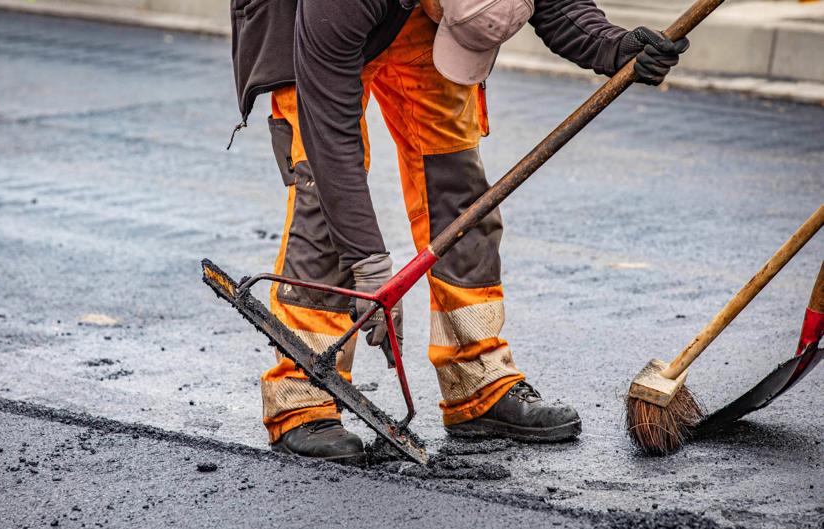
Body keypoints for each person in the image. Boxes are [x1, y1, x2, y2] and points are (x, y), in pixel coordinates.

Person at [228, 0, 689, 462]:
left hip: (412, 17)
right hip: (313, 20)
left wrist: (615, 47)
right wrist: (368, 262)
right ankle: (305, 395)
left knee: (458, 186)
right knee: (322, 205)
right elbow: (330, 138)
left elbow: (558, 4)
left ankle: (478, 381)